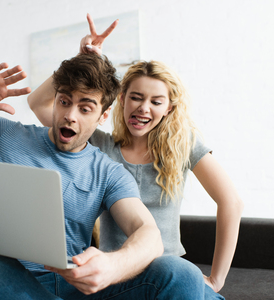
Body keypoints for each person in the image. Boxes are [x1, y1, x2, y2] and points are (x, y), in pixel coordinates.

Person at [0, 54, 219, 299]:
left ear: (103, 115)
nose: (70, 115)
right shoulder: (4, 135)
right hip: (18, 281)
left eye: (85, 108)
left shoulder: (109, 171)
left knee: (181, 273)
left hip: (80, 285)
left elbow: (147, 234)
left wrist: (112, 266)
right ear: (55, 100)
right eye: (65, 101)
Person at [28, 13, 244, 295]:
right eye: (136, 97)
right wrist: (83, 59)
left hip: (168, 275)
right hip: (117, 277)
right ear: (121, 99)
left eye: (156, 101)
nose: (144, 108)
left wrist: (217, 279)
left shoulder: (183, 144)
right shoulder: (100, 144)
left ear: (168, 108)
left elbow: (231, 202)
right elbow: (37, 103)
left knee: (189, 280)